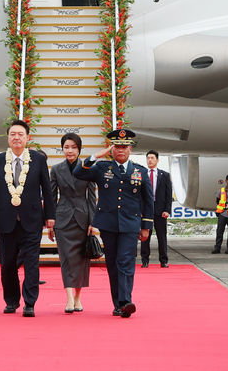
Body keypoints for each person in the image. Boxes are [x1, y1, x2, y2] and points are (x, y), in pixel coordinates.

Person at [74, 128, 153, 318]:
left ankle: (126, 301)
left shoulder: (140, 172)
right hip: (108, 224)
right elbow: (78, 173)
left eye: (125, 147)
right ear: (112, 149)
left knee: (125, 261)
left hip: (130, 224)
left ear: (130, 150)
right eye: (117, 146)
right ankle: (117, 304)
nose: (121, 150)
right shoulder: (102, 168)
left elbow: (148, 201)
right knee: (112, 264)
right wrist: (94, 156)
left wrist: (146, 226)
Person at [0, 119, 55, 317]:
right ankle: (11, 300)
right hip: (5, 221)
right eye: (13, 134)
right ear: (8, 138)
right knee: (7, 264)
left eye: (20, 134)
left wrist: (50, 216)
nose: (16, 137)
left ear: (27, 138)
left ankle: (30, 302)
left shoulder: (38, 159)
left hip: (31, 220)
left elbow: (47, 191)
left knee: (32, 263)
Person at [49, 133, 96, 313]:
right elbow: (52, 198)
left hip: (83, 219)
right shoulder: (56, 169)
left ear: (79, 149)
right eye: (66, 147)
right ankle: (69, 298)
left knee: (81, 260)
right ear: (62, 149)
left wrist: (93, 222)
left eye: (73, 147)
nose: (70, 151)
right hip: (62, 219)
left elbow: (92, 198)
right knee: (66, 260)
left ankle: (78, 298)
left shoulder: (88, 168)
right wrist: (51, 223)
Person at [140, 150, 172, 267]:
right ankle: (145, 260)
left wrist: (167, 210)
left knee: (162, 237)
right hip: (146, 211)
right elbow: (138, 195)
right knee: (145, 236)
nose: (150, 160)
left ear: (157, 160)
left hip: (160, 211)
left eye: (152, 158)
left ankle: (163, 261)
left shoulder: (165, 175)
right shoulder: (142, 174)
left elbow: (168, 195)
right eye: (148, 158)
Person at [212, 174, 228, 254]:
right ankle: (217, 248)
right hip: (222, 214)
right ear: (226, 181)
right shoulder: (221, 190)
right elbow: (218, 201)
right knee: (219, 231)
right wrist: (220, 210)